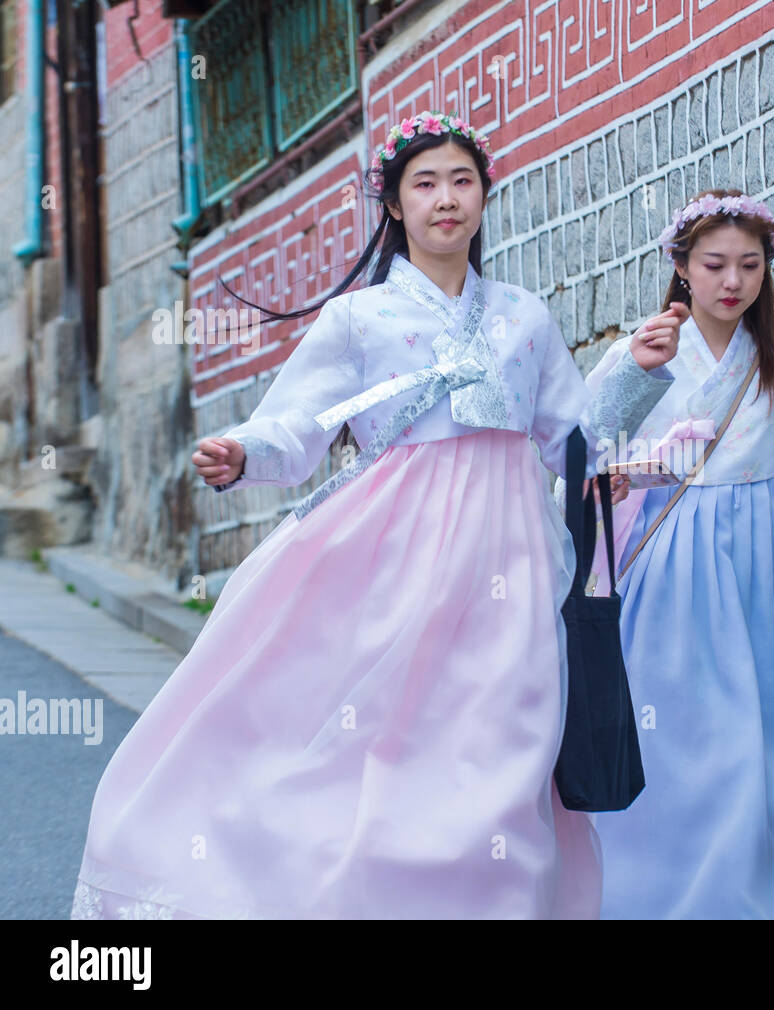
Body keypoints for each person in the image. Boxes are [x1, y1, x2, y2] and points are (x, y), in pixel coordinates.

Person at [69, 111, 679, 919]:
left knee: (502, 754)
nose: (446, 199)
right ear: (393, 205)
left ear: (485, 197)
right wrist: (245, 454)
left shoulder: (523, 318)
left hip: (511, 568)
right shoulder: (357, 320)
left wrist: (634, 375)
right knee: (384, 748)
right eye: (424, 184)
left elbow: (569, 437)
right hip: (394, 559)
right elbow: (300, 423)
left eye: (462, 181)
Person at [559, 189, 774, 919]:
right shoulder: (638, 354)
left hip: (769, 578)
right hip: (669, 573)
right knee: (680, 744)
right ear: (681, 268)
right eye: (713, 265)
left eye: (749, 265)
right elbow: (583, 458)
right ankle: (662, 898)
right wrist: (637, 382)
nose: (732, 282)